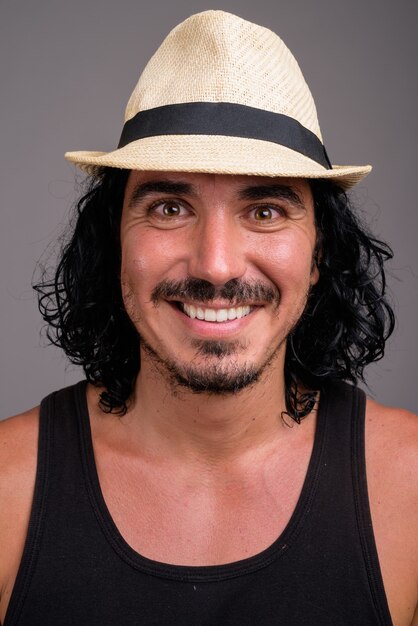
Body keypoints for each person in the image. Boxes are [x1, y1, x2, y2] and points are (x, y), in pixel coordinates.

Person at [0, 9, 417, 626]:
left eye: (267, 210)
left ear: (318, 253)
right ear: (115, 240)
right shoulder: (7, 488)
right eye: (169, 206)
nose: (216, 266)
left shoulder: (408, 484)